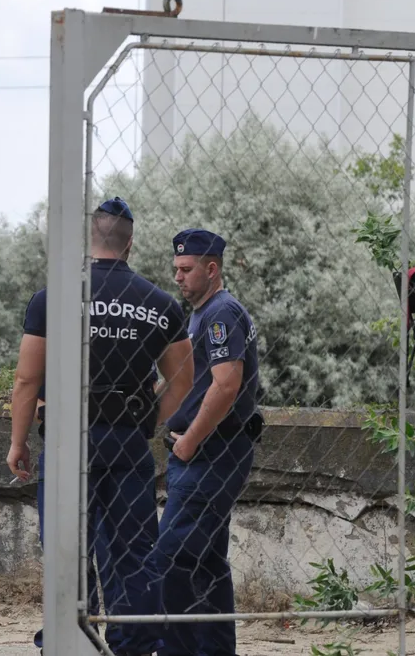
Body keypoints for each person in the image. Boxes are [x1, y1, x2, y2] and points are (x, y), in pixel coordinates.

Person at [5, 198, 193, 656]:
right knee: (133, 550)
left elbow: (28, 378)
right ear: (129, 244)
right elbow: (183, 381)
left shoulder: (54, 297)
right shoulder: (160, 303)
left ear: (89, 239)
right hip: (127, 442)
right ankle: (131, 643)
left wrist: (18, 442)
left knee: (68, 547)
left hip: (69, 440)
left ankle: (69, 639)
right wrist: (146, 420)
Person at [146, 228, 263, 656]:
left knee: (168, 560)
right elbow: (190, 384)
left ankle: (175, 650)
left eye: (186, 269)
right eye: (175, 268)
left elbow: (226, 385)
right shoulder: (203, 313)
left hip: (210, 455)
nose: (177, 276)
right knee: (207, 563)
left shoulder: (220, 313)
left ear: (211, 269)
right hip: (204, 454)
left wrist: (190, 440)